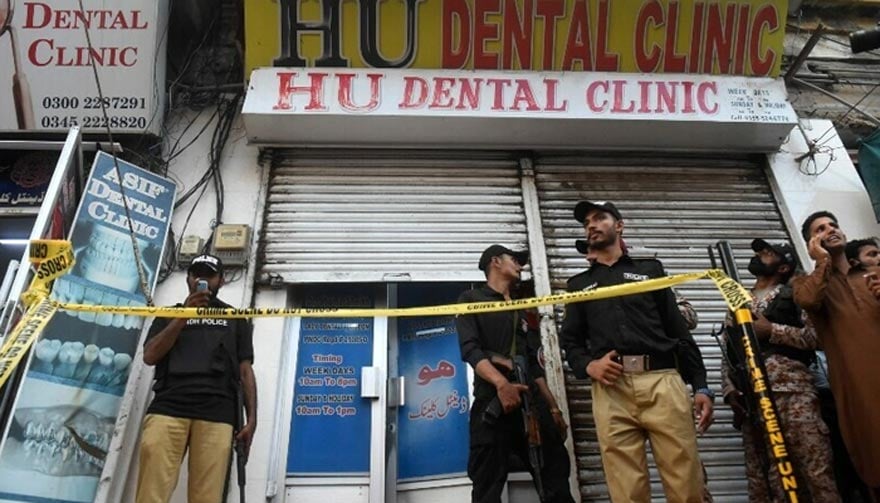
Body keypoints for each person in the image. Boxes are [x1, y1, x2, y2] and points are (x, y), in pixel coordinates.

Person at [561, 201, 713, 503]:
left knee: (687, 485)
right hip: (610, 391)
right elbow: (571, 341)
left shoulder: (650, 271)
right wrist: (589, 366)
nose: (591, 225)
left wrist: (701, 385)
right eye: (586, 222)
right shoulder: (578, 285)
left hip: (662, 383)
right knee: (626, 492)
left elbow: (678, 331)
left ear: (619, 226)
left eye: (600, 218)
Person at [720, 238, 839, 502]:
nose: (760, 255)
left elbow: (815, 339)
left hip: (792, 392)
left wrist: (772, 331)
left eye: (768, 253)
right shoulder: (739, 300)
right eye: (759, 251)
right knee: (767, 476)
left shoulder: (793, 295)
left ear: (784, 267)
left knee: (815, 467)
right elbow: (729, 349)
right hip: (753, 398)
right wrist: (729, 390)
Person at [456, 244, 575, 503]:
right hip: (493, 403)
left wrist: (553, 409)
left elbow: (534, 363)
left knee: (555, 480)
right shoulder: (471, 300)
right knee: (486, 486)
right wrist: (501, 384)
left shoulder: (522, 308)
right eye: (515, 259)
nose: (520, 265)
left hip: (531, 404)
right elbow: (470, 350)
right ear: (495, 262)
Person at [136, 254, 257, 503]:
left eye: (209, 274)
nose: (202, 279)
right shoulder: (168, 315)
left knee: (207, 497)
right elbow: (149, 356)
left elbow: (245, 371)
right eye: (196, 274)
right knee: (151, 494)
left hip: (217, 412)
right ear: (188, 279)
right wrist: (184, 316)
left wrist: (252, 419)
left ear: (221, 280)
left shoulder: (236, 319)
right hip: (168, 407)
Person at [793, 211, 880, 500]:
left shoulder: (872, 274)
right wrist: (821, 261)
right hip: (859, 390)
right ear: (811, 243)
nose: (831, 230)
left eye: (833, 225)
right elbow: (807, 300)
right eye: (820, 229)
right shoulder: (808, 284)